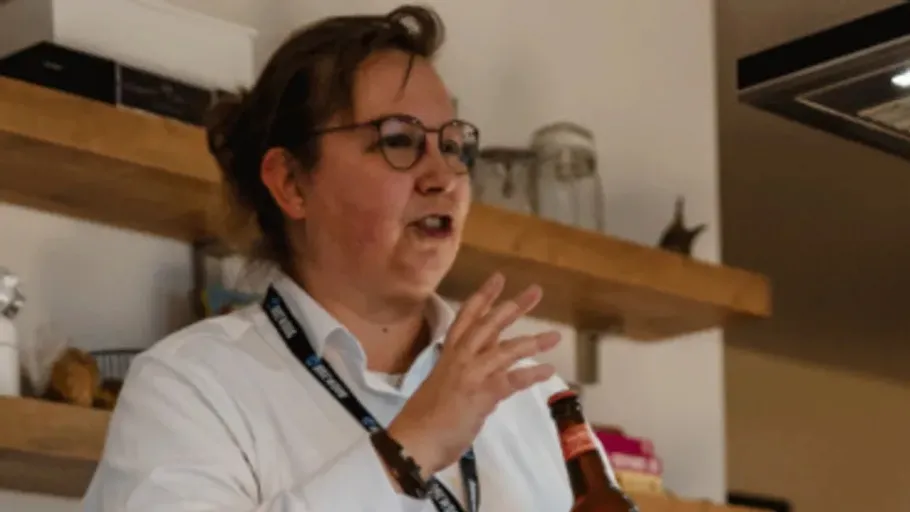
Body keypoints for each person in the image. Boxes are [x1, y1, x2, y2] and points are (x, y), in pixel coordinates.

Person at [83, 5, 616, 511]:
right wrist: (411, 446)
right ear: (291, 183)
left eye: (452, 145)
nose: (443, 177)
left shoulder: (534, 397)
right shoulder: (191, 388)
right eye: (399, 140)